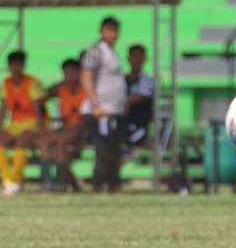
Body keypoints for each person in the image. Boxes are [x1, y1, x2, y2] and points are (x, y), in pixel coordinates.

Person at [0, 50, 44, 196]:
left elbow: (39, 108)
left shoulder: (32, 83)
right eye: (13, 65)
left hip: (32, 123)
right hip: (16, 124)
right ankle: (7, 181)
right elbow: (3, 108)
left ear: (23, 66)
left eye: (18, 65)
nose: (15, 68)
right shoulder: (6, 83)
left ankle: (16, 180)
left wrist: (40, 128)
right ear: (9, 66)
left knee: (22, 142)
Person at [82, 16, 126, 193]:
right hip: (100, 111)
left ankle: (111, 184)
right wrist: (96, 104)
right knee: (103, 149)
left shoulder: (112, 52)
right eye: (109, 30)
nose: (113, 34)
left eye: (115, 30)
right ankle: (99, 185)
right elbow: (86, 77)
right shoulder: (96, 51)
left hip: (112, 111)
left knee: (113, 148)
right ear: (101, 31)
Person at [40, 58, 86, 192]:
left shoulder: (86, 89)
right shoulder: (62, 89)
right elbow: (43, 96)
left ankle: (60, 183)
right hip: (65, 127)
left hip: (80, 128)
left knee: (61, 144)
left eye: (73, 72)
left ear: (79, 73)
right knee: (44, 141)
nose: (69, 75)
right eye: (66, 73)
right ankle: (47, 181)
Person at [124, 43, 154, 149]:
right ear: (128, 59)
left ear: (145, 59)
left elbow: (140, 97)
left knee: (130, 140)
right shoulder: (121, 80)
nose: (136, 59)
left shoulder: (148, 80)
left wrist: (124, 103)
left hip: (140, 125)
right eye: (134, 56)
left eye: (139, 56)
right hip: (122, 123)